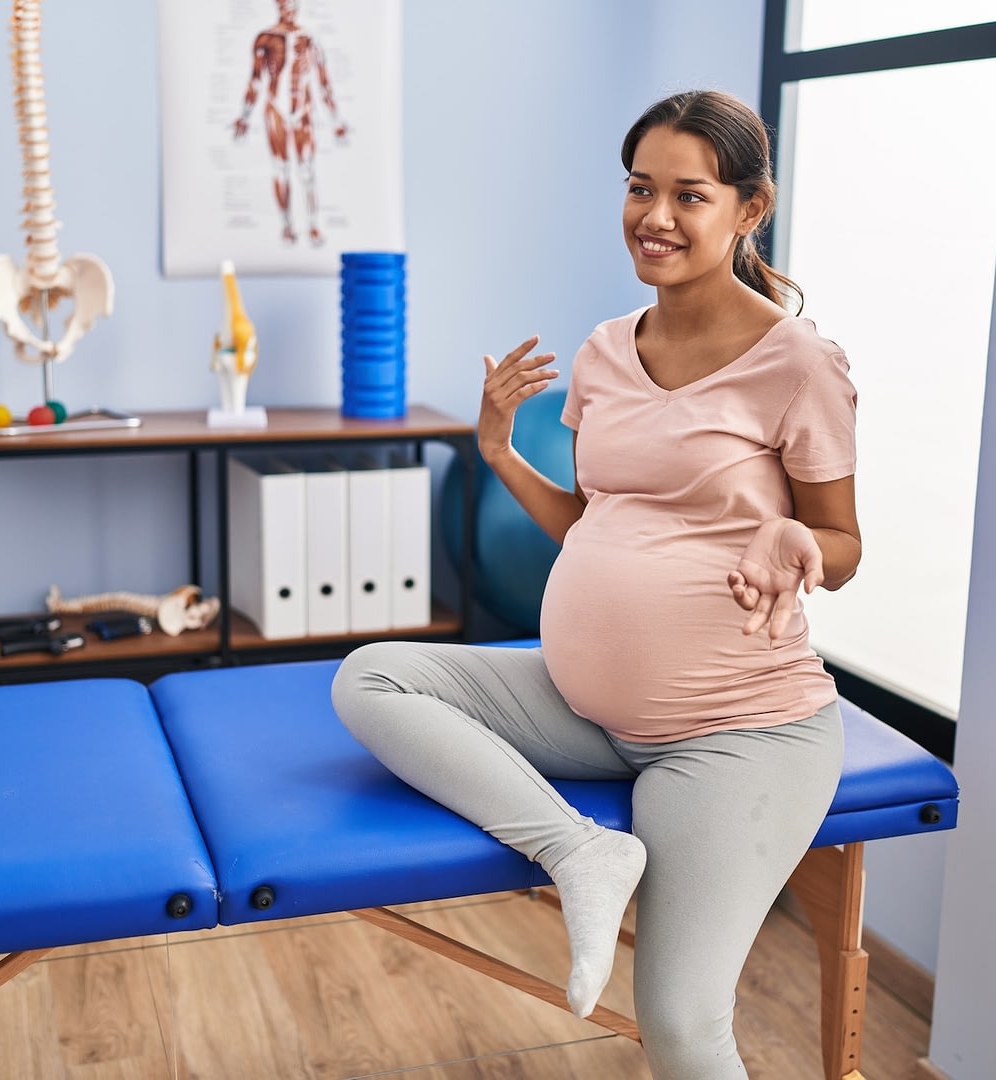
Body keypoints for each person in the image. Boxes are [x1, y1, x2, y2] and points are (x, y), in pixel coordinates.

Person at [331, 88, 860, 1079]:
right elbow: (594, 523)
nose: (654, 217)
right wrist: (498, 452)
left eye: (689, 196)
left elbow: (842, 542)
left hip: (737, 732)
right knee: (370, 677)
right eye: (638, 187)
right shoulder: (606, 351)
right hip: (586, 710)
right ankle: (579, 852)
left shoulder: (799, 365)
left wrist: (793, 537)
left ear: (750, 209)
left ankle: (599, 862)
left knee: (679, 1020)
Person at [232, 0, 348, 246]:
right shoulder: (265, 38)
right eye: (285, 3)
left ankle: (313, 225)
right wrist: (244, 115)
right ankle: (286, 225)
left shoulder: (309, 39)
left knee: (307, 171)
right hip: (276, 110)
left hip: (302, 111)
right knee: (281, 170)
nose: (289, 7)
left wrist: (335, 119)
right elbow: (255, 80)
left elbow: (323, 82)